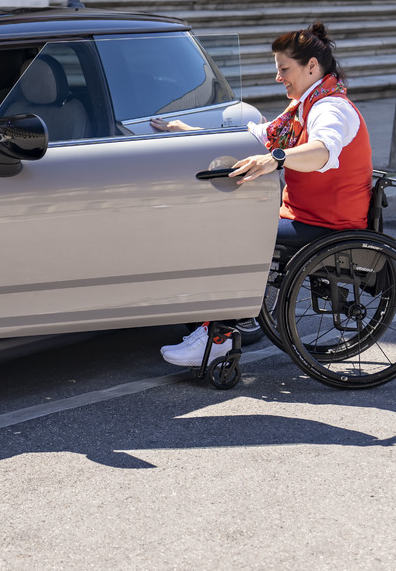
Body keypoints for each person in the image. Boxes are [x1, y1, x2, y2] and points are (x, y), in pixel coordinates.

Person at [153, 22, 374, 367]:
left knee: (234, 237)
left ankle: (222, 335)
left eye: (284, 68)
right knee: (225, 221)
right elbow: (259, 136)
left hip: (327, 225)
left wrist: (276, 160)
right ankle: (227, 318)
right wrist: (191, 133)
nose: (278, 77)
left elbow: (322, 150)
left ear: (311, 67)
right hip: (303, 215)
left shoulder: (331, 108)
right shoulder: (305, 106)